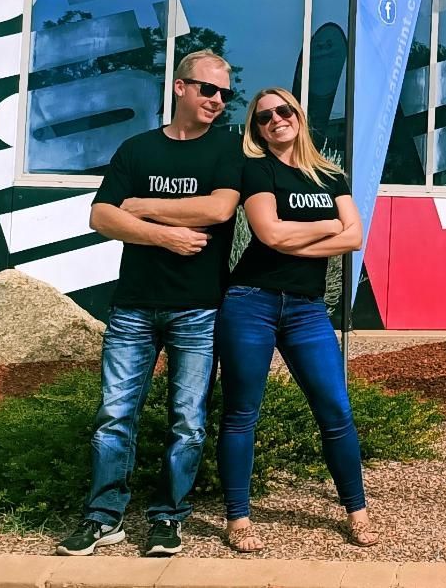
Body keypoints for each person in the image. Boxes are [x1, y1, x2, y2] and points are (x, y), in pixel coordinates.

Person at [56, 50, 242, 558]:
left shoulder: (227, 149)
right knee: (114, 415)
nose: (218, 100)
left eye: (225, 94)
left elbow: (219, 208)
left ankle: (167, 518)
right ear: (180, 87)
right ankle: (103, 517)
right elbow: (101, 217)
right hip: (133, 307)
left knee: (188, 421)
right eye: (208, 89)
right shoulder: (136, 149)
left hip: (198, 308)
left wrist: (141, 209)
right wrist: (168, 236)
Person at [216, 87, 378, 552]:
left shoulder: (331, 175)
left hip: (307, 308)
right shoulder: (257, 169)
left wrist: (302, 238)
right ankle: (238, 518)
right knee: (241, 413)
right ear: (257, 129)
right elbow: (270, 235)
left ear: (298, 116)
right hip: (252, 301)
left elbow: (355, 238)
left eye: (283, 111)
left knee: (336, 410)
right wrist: (328, 226)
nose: (275, 120)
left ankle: (357, 513)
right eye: (264, 117)